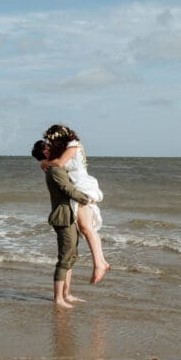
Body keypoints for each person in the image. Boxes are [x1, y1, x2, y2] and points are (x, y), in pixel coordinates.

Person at [41, 124, 109, 285]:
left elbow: (60, 163)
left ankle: (99, 264)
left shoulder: (73, 144)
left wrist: (45, 161)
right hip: (76, 187)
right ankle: (101, 262)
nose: (51, 144)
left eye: (52, 141)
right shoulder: (67, 147)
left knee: (87, 228)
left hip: (82, 186)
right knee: (86, 229)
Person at [31, 139, 93, 307]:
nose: (53, 147)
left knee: (71, 256)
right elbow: (69, 190)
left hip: (69, 215)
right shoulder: (55, 171)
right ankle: (58, 299)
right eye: (49, 146)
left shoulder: (55, 166)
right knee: (65, 258)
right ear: (45, 152)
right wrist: (88, 199)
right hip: (63, 217)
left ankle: (67, 294)